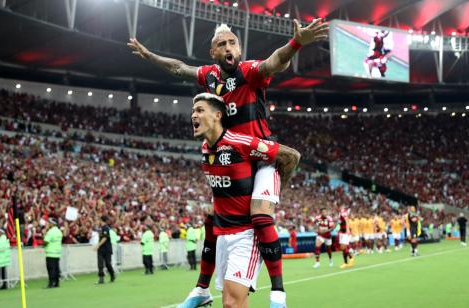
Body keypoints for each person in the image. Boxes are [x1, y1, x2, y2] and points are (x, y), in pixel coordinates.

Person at [129, 19, 324, 307]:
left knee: (259, 217)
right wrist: (149, 56)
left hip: (259, 155)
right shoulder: (209, 76)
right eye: (222, 44)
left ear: (240, 48)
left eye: (233, 42)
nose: (229, 47)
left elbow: (274, 63)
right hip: (230, 156)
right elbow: (179, 69)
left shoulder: (248, 71)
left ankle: (278, 293)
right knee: (213, 219)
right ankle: (201, 289)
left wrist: (296, 43)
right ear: (213, 52)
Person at [179, 93, 299, 308]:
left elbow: (291, 156)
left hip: (246, 234)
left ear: (217, 115)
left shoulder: (240, 143)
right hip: (223, 236)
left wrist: (275, 192)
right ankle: (201, 289)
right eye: (192, 111)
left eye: (199, 110)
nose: (193, 115)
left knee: (232, 303)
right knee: (231, 303)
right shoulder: (206, 149)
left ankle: (279, 293)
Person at [94, 215, 115, 284]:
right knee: (100, 264)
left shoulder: (106, 228)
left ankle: (112, 275)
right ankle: (101, 278)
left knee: (107, 264)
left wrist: (98, 245)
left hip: (107, 249)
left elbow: (105, 238)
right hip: (101, 249)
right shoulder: (100, 228)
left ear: (101, 220)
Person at [43, 218, 63, 288]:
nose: (48, 224)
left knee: (51, 269)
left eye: (49, 223)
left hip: (50, 253)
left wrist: (44, 233)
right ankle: (57, 283)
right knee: (56, 268)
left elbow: (46, 241)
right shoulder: (59, 231)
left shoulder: (50, 232)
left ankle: (51, 283)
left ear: (52, 224)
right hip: (57, 253)